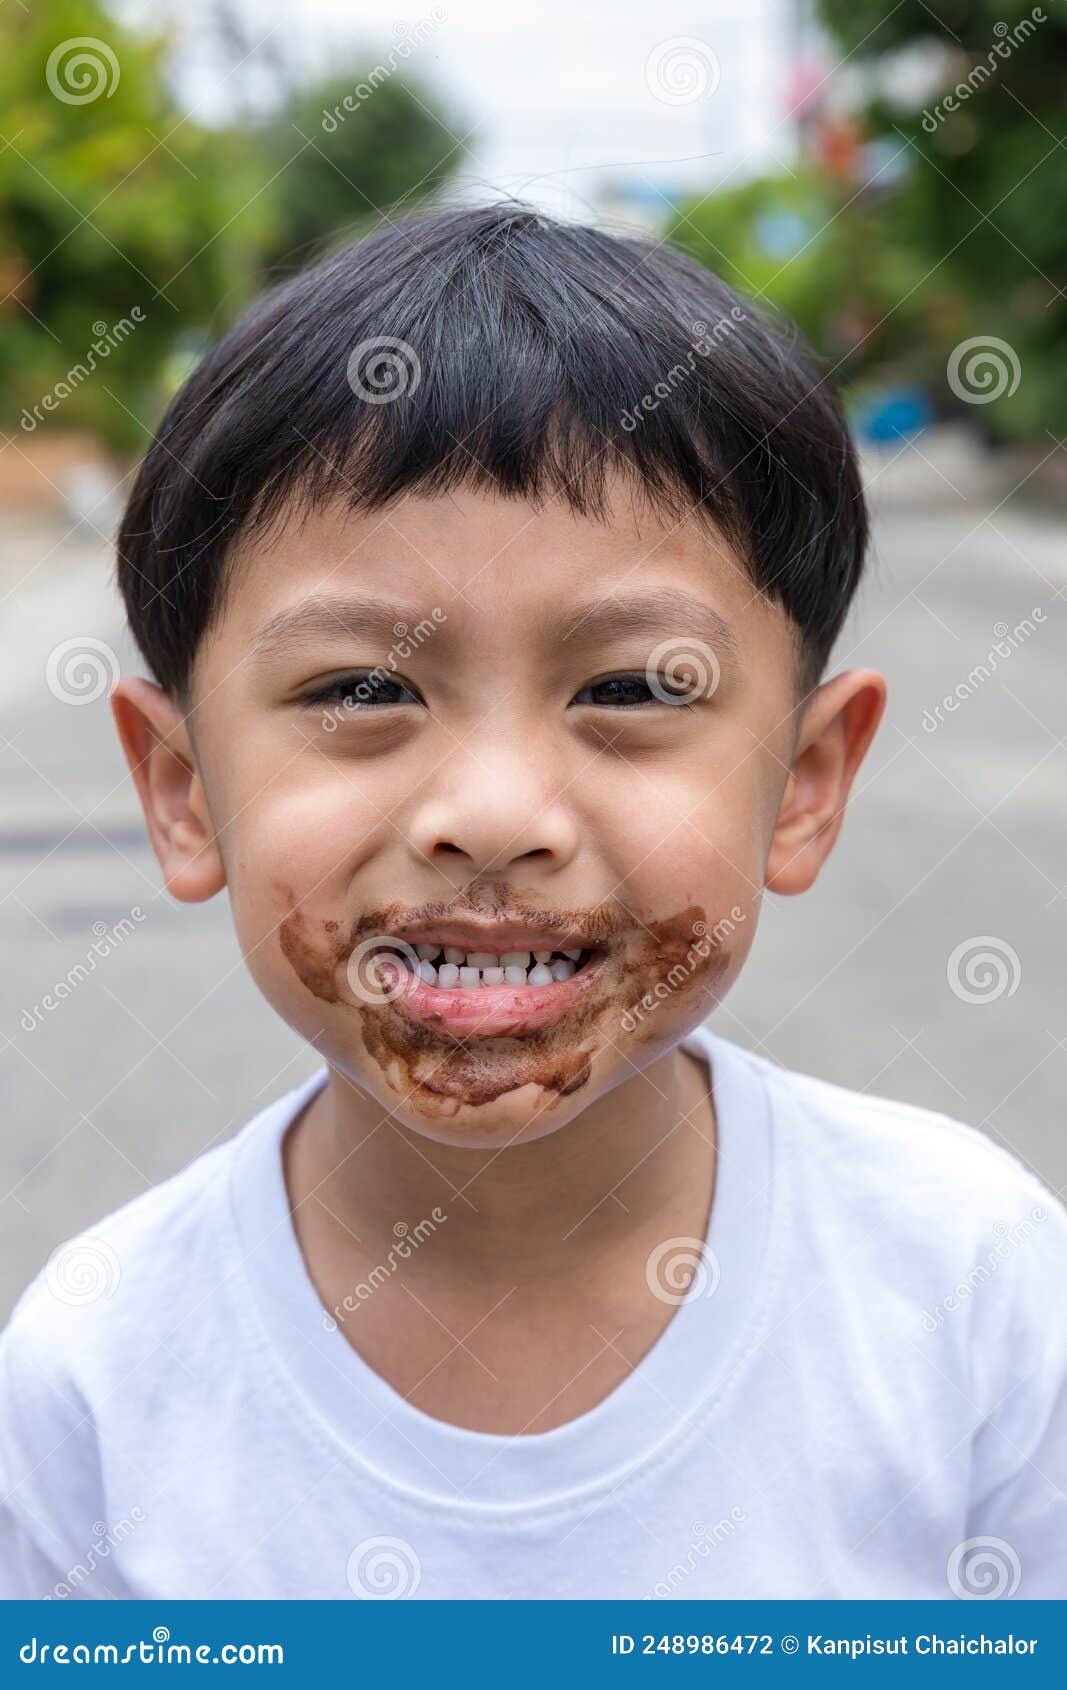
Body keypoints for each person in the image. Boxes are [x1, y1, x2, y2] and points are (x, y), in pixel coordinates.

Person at [1, 203, 1063, 1600]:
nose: (494, 814)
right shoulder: (97, 1368)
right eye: (362, 690)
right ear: (184, 791)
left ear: (803, 782)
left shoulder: (972, 1284)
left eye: (630, 687)